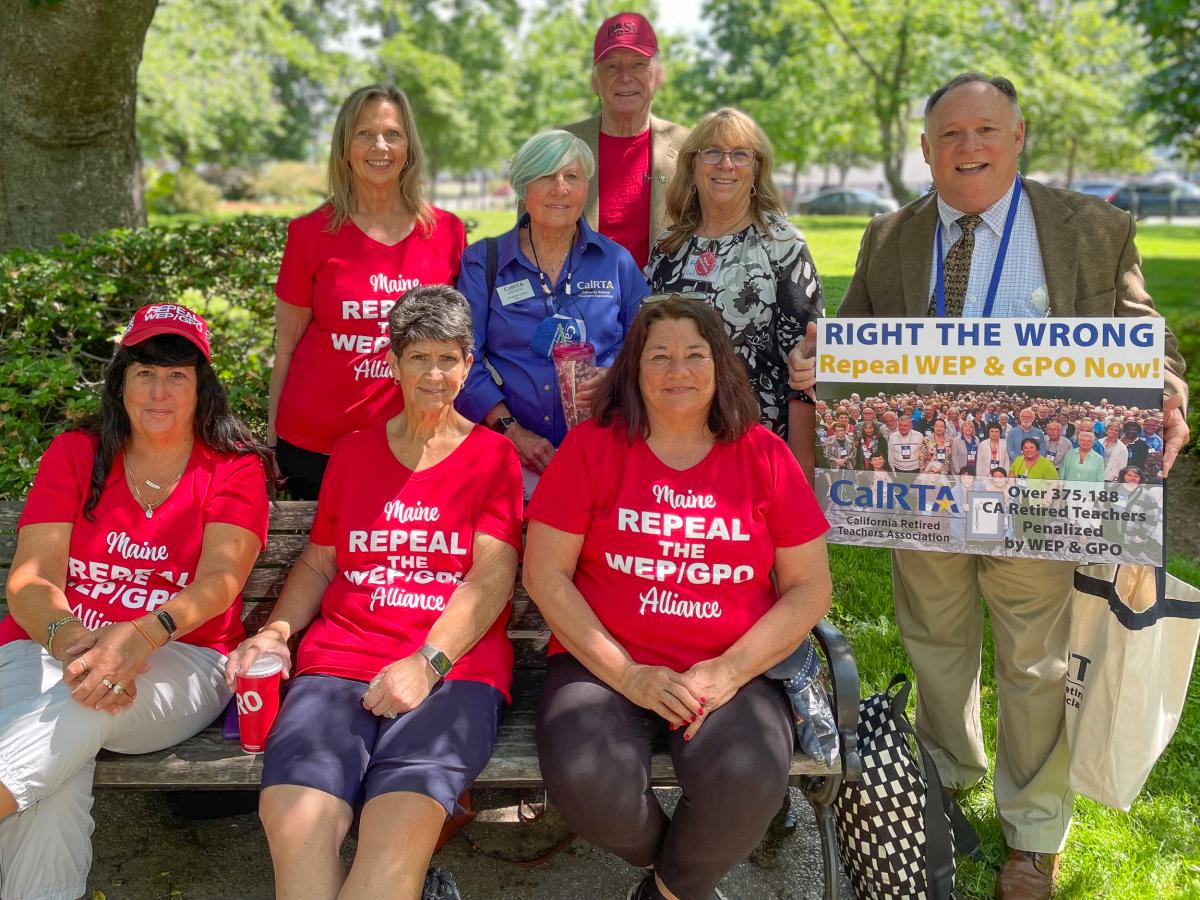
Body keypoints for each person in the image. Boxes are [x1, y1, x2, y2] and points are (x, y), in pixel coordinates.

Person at [793, 72, 1189, 898]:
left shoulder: (1094, 225)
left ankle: (1034, 832)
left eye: (985, 131)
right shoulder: (889, 236)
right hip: (924, 499)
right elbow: (859, 335)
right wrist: (822, 363)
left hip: (1033, 497)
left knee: (1036, 659)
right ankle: (947, 774)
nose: (967, 148)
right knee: (933, 640)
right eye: (949, 136)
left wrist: (1167, 387)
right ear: (928, 148)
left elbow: (1143, 331)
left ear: (1018, 137)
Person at [523, 296, 831, 900]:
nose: (678, 370)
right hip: (603, 667)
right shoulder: (591, 448)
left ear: (720, 366)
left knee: (747, 778)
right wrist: (630, 675)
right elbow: (545, 574)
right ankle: (686, 878)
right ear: (634, 369)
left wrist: (728, 671)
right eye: (659, 356)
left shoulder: (763, 454)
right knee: (589, 785)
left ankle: (665, 892)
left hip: (730, 669)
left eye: (695, 354)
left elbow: (810, 587)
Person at [227, 286, 522, 900]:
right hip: (335, 668)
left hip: (452, 675)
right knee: (295, 827)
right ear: (393, 363)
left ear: (469, 366)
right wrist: (278, 630)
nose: (434, 374)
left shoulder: (493, 458)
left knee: (392, 848)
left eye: (448, 358)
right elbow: (319, 560)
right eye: (419, 357)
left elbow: (491, 577)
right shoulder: (355, 453)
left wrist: (426, 662)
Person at [0, 304, 271, 900]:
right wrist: (75, 643)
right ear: (119, 380)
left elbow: (222, 579)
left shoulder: (234, 468)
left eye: (178, 375)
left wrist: (142, 635)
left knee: (85, 706)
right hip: (47, 644)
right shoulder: (78, 452)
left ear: (202, 388)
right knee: (60, 775)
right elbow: (31, 578)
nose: (159, 390)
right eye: (145, 371)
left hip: (183, 657)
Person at [269, 84, 467, 499]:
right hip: (316, 444)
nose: (380, 145)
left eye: (392, 134)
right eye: (364, 134)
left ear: (408, 147)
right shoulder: (309, 234)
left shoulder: (446, 233)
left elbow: (459, 345)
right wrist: (271, 440)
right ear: (345, 147)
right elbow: (286, 345)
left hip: (414, 440)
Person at [456, 130, 647, 482]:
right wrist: (512, 432)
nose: (560, 188)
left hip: (604, 451)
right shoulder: (485, 263)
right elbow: (462, 358)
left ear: (586, 188)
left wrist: (617, 376)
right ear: (523, 187)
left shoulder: (616, 262)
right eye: (546, 175)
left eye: (572, 177)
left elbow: (648, 348)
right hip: (509, 455)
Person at [646, 107, 824, 466]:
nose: (725, 164)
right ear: (692, 165)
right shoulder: (668, 248)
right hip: (674, 442)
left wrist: (801, 475)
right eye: (712, 152)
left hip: (755, 443)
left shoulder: (782, 245)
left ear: (757, 169)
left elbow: (805, 368)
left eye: (741, 154)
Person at [556, 12, 690, 269]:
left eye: (638, 64)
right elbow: (527, 240)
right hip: (577, 304)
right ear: (595, 81)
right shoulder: (558, 148)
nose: (625, 77)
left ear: (658, 74)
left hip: (666, 304)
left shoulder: (690, 148)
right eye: (612, 66)